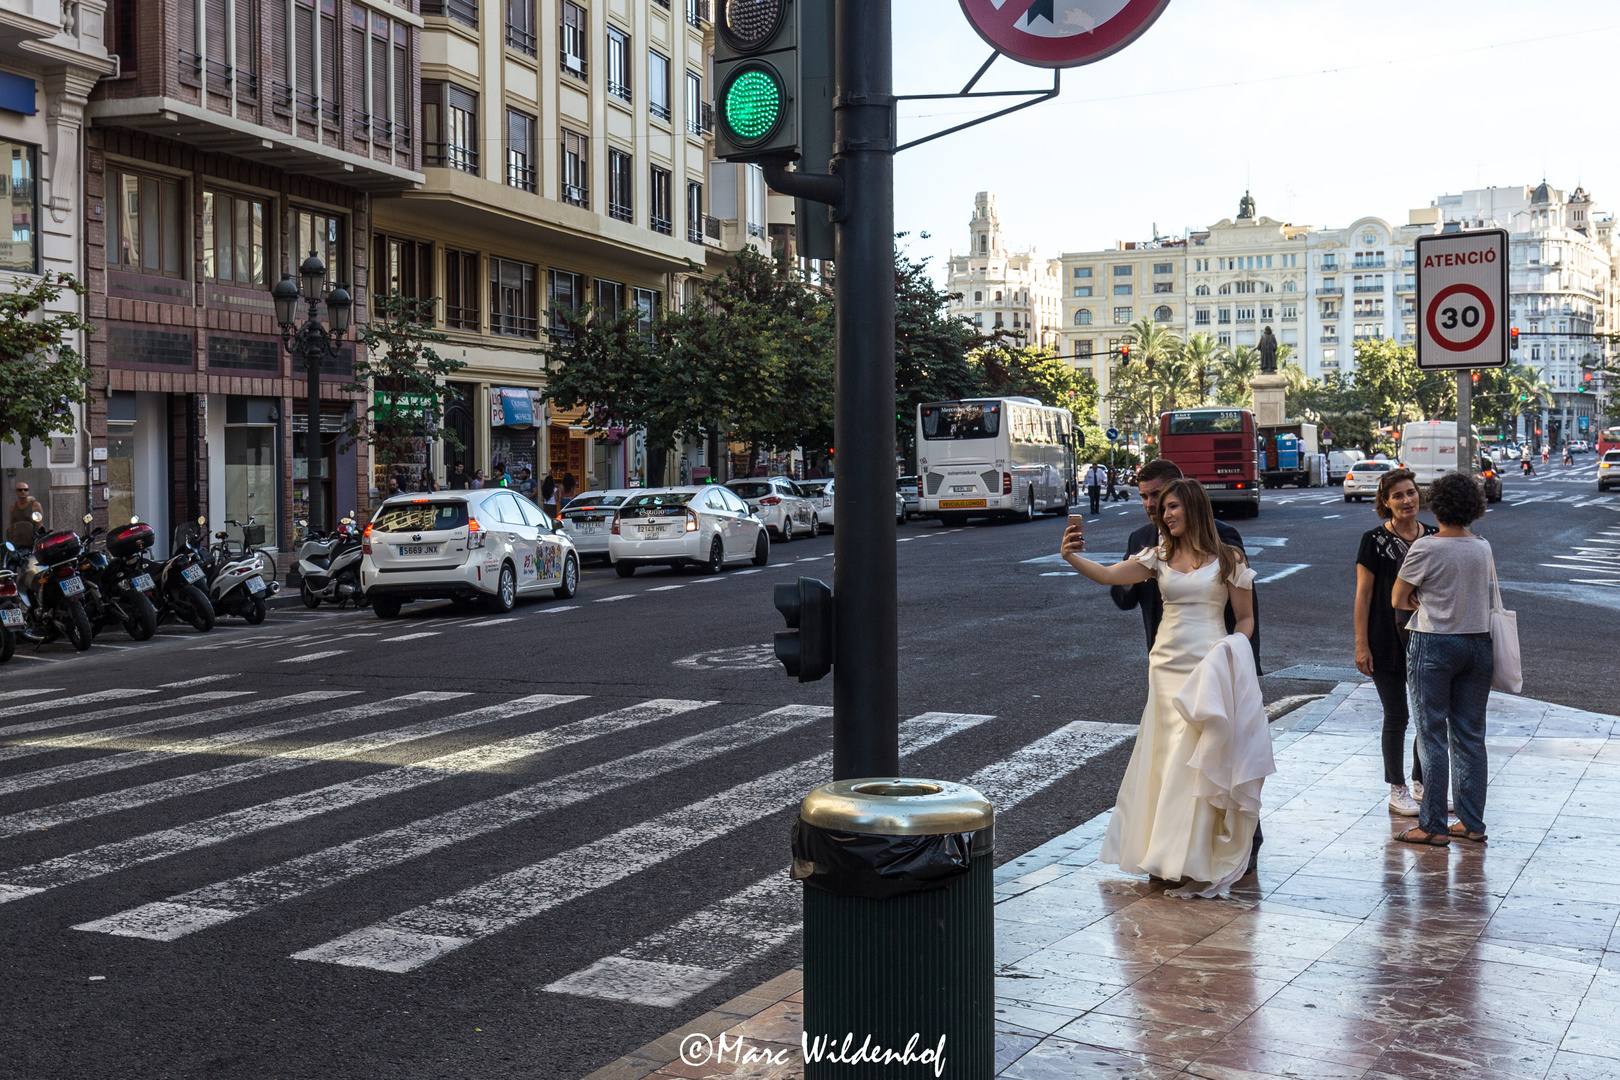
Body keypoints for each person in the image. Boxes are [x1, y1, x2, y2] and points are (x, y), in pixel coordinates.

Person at [1061, 478, 1265, 896]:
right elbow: (1107, 576)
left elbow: (1245, 619)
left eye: (1173, 507)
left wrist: (1232, 652)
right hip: (1165, 665)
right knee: (1164, 758)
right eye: (1163, 508)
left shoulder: (1228, 558)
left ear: (1193, 508)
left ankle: (1189, 856)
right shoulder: (1157, 557)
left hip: (1208, 667)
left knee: (1196, 760)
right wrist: (1071, 556)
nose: (1164, 514)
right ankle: (1162, 856)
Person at [1391, 471, 1494, 847]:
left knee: (1431, 736)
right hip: (1478, 645)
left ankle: (1432, 825)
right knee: (1470, 736)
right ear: (1473, 508)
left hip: (1434, 643)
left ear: (1438, 506)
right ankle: (1471, 822)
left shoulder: (1426, 548)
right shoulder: (1482, 546)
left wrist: (1421, 599)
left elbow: (1398, 597)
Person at [1353, 468, 1438, 817]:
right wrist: (1361, 643)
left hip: (1428, 636)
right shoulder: (1373, 540)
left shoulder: (1434, 536)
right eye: (1398, 496)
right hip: (1385, 638)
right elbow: (1363, 595)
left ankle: (1420, 781)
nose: (1407, 500)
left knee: (1428, 715)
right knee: (1397, 715)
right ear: (1385, 503)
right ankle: (1397, 787)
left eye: (1411, 492)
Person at [7, 482, 42, 548]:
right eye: (20, 490)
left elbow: (39, 525)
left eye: (25, 490)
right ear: (16, 492)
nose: (23, 492)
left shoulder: (35, 505)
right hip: (16, 543)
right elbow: (11, 524)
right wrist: (10, 539)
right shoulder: (12, 506)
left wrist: (39, 541)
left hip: (31, 542)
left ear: (28, 491)